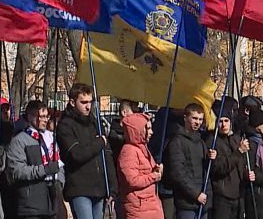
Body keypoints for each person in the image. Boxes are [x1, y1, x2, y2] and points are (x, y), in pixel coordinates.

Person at [56, 83, 117, 219]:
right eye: (83, 102)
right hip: (79, 189)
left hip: (99, 188)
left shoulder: (95, 123)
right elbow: (76, 154)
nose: (88, 106)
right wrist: (99, 142)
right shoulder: (65, 125)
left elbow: (107, 156)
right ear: (72, 102)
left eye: (90, 102)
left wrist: (112, 189)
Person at [8, 100, 64, 219]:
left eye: (46, 116)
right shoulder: (20, 140)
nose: (44, 120)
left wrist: (60, 182)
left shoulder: (50, 138)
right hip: (31, 205)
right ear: (30, 116)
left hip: (52, 200)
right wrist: (44, 169)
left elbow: (60, 164)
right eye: (41, 116)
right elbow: (16, 171)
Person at [165, 103, 215, 219]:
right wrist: (196, 194)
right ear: (185, 118)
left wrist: (211, 157)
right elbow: (178, 173)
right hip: (187, 203)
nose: (197, 122)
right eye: (194, 118)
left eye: (200, 119)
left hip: (203, 200)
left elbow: (204, 170)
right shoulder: (177, 141)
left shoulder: (201, 141)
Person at [118, 112, 163, 219]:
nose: (151, 132)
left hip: (149, 204)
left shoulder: (142, 147)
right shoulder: (129, 151)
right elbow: (132, 180)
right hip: (139, 206)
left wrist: (156, 170)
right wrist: (154, 176)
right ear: (137, 130)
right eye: (147, 129)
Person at [207, 108, 251, 219]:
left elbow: (241, 165)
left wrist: (247, 174)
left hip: (238, 194)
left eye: (226, 121)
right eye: (220, 121)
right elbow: (220, 167)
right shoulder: (212, 141)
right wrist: (239, 151)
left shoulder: (237, 139)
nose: (223, 125)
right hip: (222, 195)